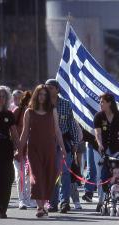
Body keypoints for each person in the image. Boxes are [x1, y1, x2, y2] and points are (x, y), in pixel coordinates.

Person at [19, 84, 66, 217]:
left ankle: (44, 205)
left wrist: (63, 148)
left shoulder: (52, 111)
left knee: (49, 176)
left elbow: (57, 130)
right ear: (36, 95)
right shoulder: (29, 112)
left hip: (49, 148)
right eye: (40, 94)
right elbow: (24, 133)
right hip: (34, 149)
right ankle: (40, 207)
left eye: (45, 95)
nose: (42, 97)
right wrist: (19, 148)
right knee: (37, 177)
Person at [45, 79, 80, 213]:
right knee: (52, 173)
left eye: (51, 88)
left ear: (57, 89)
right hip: (47, 143)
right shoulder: (43, 104)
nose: (48, 90)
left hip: (63, 143)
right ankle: (52, 203)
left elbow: (71, 125)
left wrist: (75, 143)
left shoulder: (65, 104)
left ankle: (65, 202)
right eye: (47, 87)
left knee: (65, 173)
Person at [93, 93, 119, 212]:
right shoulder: (98, 116)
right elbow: (98, 133)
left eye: (103, 102)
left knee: (116, 173)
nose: (100, 104)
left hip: (115, 149)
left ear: (109, 103)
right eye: (100, 102)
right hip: (101, 149)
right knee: (100, 174)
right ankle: (101, 200)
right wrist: (100, 144)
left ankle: (115, 198)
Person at [0, 86, 20, 218]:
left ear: (6, 99)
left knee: (6, 179)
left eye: (2, 96)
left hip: (5, 150)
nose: (0, 99)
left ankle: (2, 208)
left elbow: (14, 134)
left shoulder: (9, 114)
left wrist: (18, 149)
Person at [12, 91, 34, 209]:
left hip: (30, 149)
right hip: (19, 148)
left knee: (29, 175)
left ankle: (28, 199)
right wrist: (16, 146)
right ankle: (21, 200)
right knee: (20, 175)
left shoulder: (35, 113)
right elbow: (12, 128)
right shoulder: (18, 111)